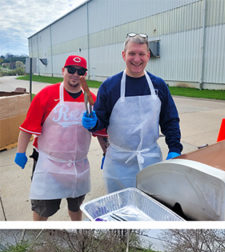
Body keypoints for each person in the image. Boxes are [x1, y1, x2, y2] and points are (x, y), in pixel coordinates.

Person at [83, 33, 182, 193]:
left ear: (148, 55)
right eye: (132, 53)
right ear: (124, 55)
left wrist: (174, 148)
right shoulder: (110, 86)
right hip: (118, 163)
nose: (137, 59)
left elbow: (169, 120)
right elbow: (101, 122)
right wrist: (93, 123)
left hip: (150, 161)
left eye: (141, 54)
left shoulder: (159, 85)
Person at [15, 55, 103, 221]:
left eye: (80, 71)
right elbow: (27, 127)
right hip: (49, 166)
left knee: (76, 208)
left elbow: (100, 131)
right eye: (71, 69)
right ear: (63, 71)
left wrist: (106, 152)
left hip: (78, 166)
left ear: (85, 74)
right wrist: (20, 152)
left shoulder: (91, 99)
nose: (75, 74)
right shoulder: (47, 95)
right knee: (42, 212)